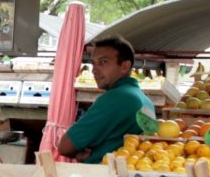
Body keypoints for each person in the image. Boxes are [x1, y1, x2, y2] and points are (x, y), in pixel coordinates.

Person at [57, 35, 153, 163]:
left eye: (103, 62)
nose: (94, 70)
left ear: (124, 66)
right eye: (93, 64)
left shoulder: (116, 98)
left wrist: (82, 152)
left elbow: (65, 147)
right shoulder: (144, 100)